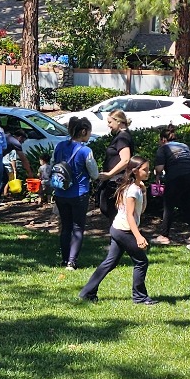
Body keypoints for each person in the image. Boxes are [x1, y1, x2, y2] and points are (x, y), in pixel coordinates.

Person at [78, 154, 152, 305]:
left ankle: (87, 292)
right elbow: (131, 217)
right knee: (141, 262)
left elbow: (141, 211)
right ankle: (139, 297)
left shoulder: (136, 188)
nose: (148, 172)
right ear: (136, 171)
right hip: (124, 231)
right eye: (145, 170)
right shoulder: (132, 190)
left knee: (110, 262)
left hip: (117, 228)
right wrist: (138, 237)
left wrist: (144, 193)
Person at [48, 116, 98, 269]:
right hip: (79, 193)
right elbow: (94, 174)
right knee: (78, 227)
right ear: (83, 131)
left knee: (66, 227)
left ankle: (64, 259)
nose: (89, 135)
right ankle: (72, 261)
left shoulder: (60, 146)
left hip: (61, 192)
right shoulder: (85, 151)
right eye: (89, 132)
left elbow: (52, 164)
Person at [152, 125, 190, 245]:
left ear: (163, 139)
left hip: (176, 176)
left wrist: (157, 176)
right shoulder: (185, 146)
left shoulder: (163, 148)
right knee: (188, 204)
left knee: (169, 205)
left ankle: (164, 235)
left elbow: (159, 168)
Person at [96, 110, 136, 216]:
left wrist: (109, 174)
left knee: (111, 210)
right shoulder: (122, 136)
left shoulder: (122, 137)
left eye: (110, 122)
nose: (108, 125)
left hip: (117, 181)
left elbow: (125, 160)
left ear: (118, 121)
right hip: (115, 180)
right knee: (108, 209)